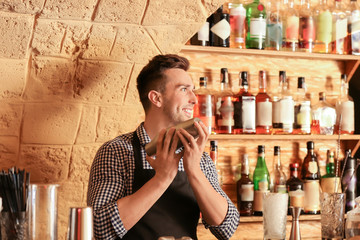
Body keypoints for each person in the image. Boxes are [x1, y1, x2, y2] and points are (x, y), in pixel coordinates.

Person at [87, 54, 240, 240]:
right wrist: (162, 178)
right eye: (184, 89)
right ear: (156, 98)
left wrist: (194, 170)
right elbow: (98, 227)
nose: (194, 99)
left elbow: (227, 227)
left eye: (192, 90)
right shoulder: (117, 151)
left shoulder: (199, 156)